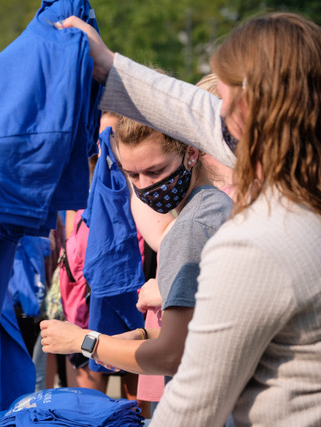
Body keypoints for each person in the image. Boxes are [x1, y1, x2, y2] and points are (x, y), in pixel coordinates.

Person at [61, 12, 321, 425]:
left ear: (251, 108)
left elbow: (194, 403)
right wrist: (108, 65)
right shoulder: (305, 193)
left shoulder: (256, 240)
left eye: (228, 95)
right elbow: (194, 113)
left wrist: (87, 342)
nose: (218, 111)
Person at [41, 105, 232, 376]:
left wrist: (81, 341)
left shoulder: (189, 227)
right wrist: (143, 334)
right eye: (132, 175)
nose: (144, 186)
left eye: (155, 171)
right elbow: (210, 326)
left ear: (191, 153)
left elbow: (171, 356)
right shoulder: (217, 204)